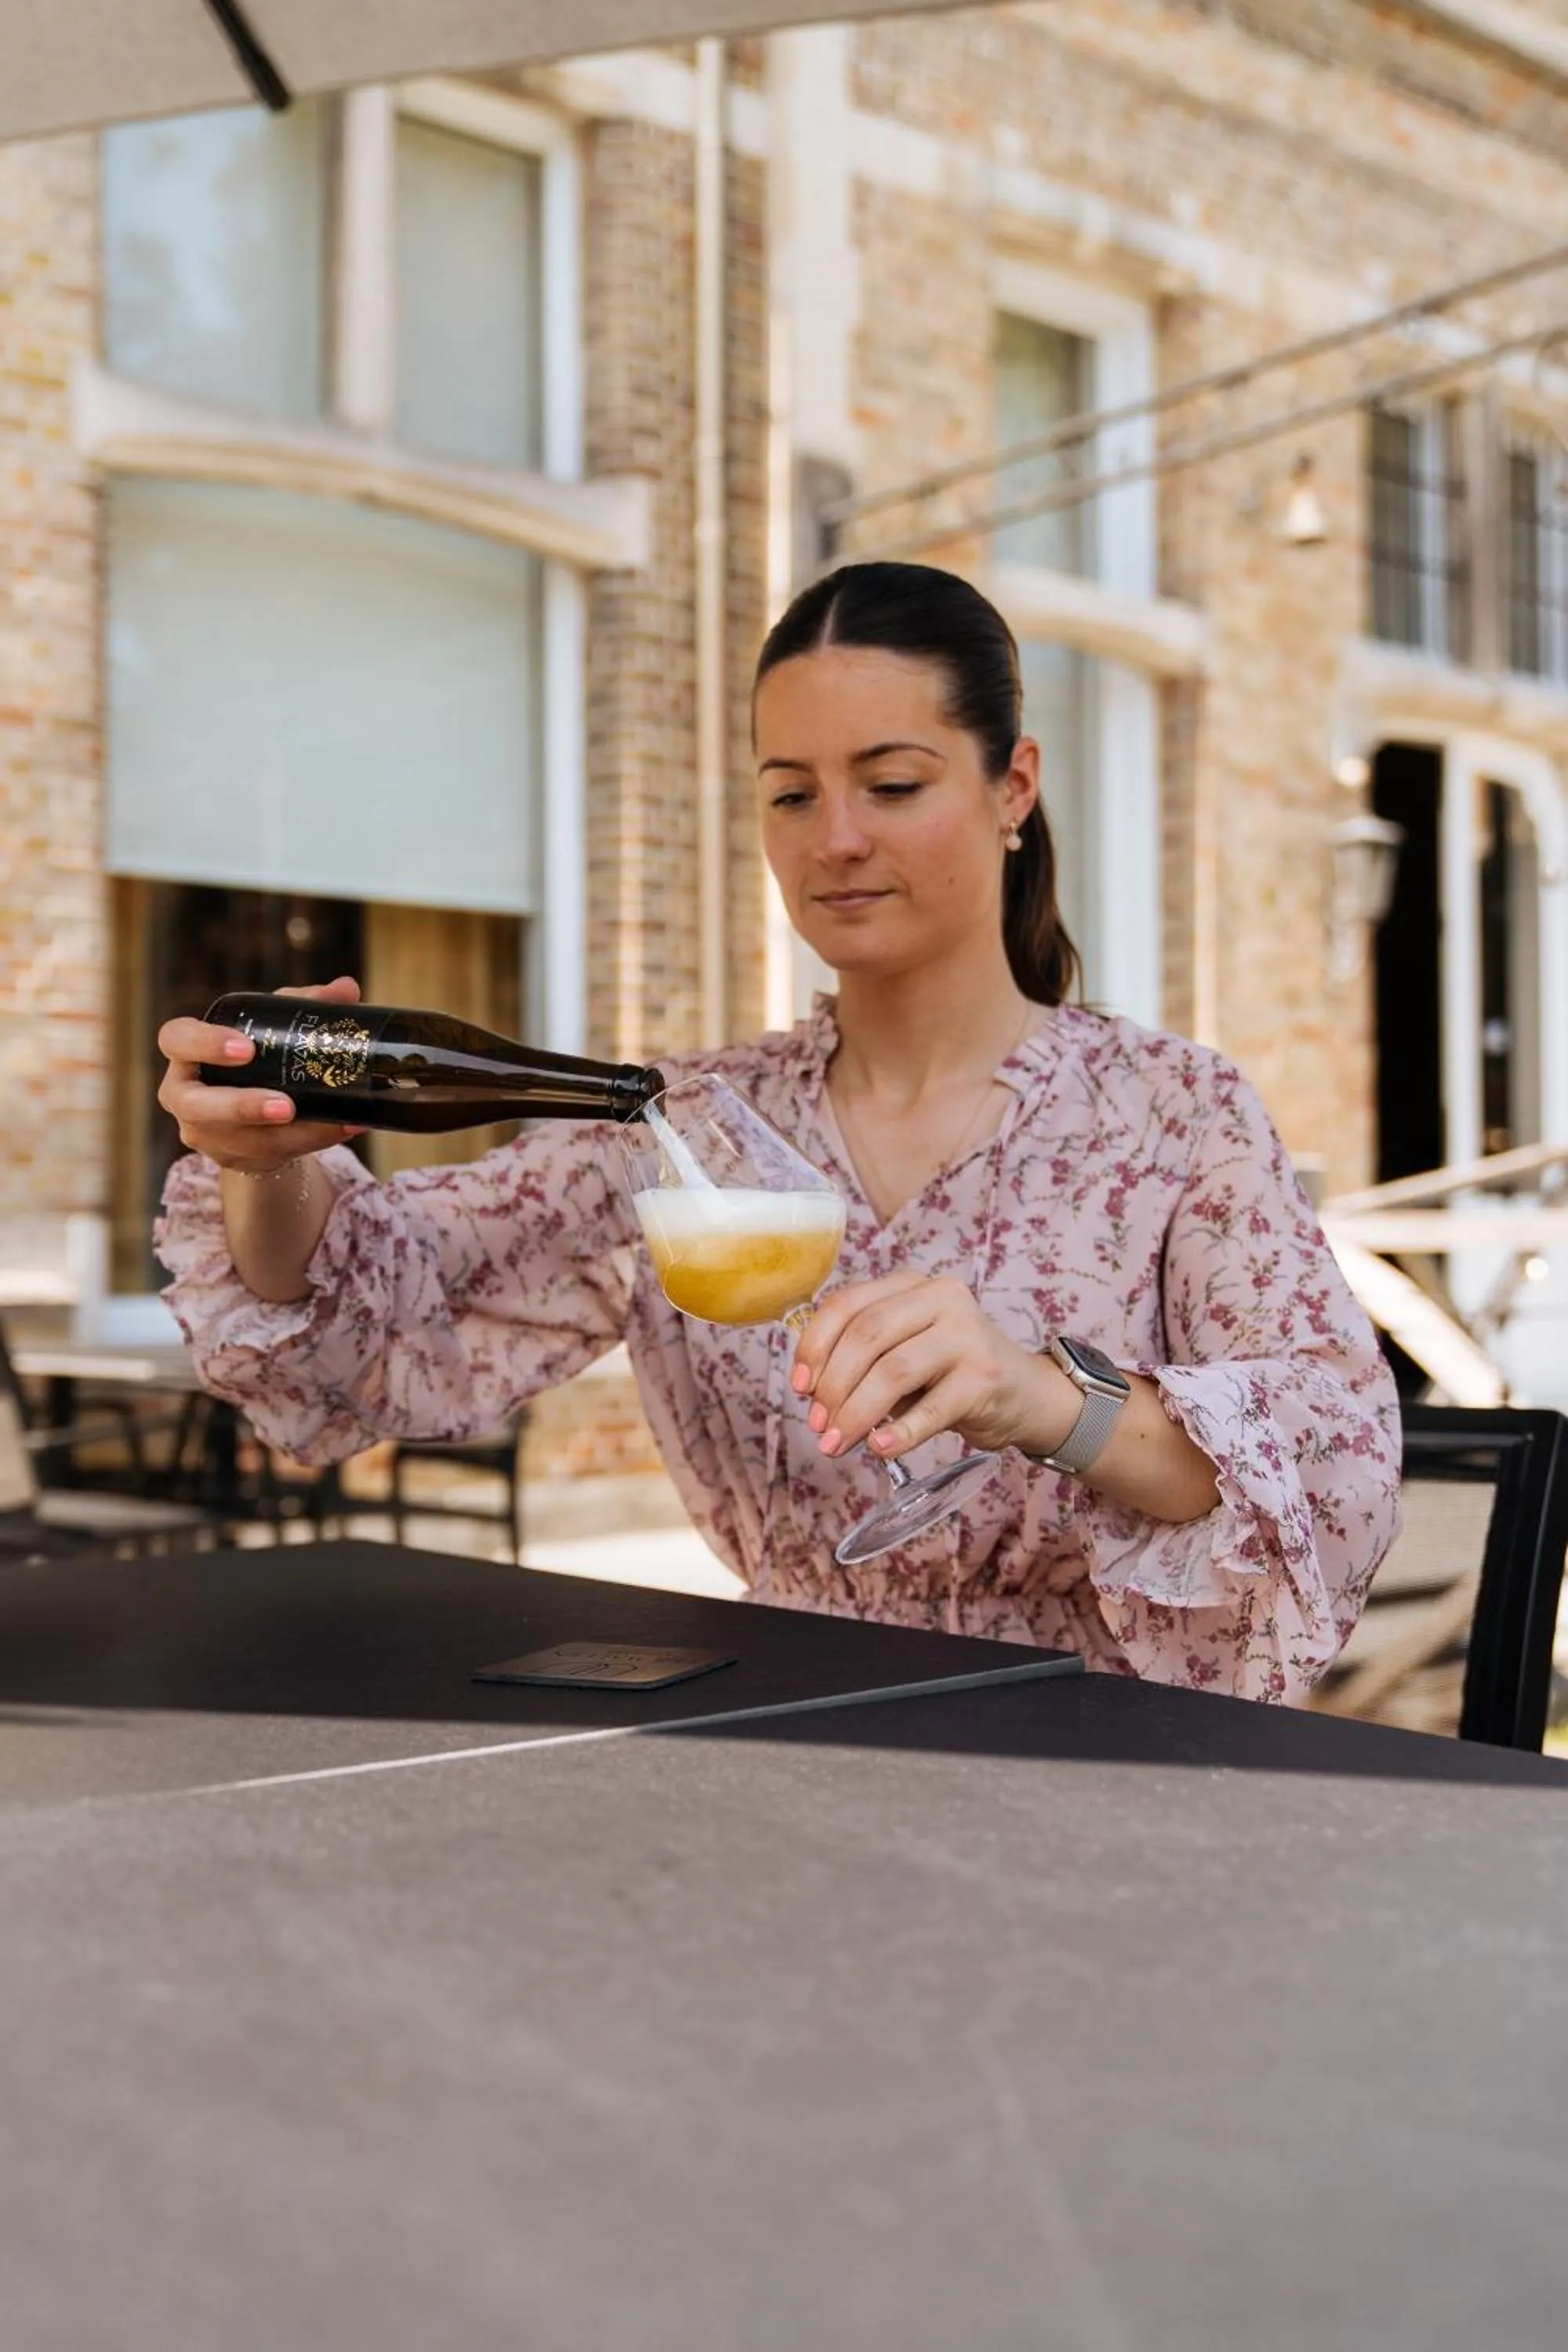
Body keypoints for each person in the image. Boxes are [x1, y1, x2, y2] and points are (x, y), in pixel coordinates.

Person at [154, 561, 1400, 1700]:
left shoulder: (1170, 1113)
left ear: (1012, 786)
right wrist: (265, 1162)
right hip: (783, 1718)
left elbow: (1327, 1462)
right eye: (791, 794)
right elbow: (366, 1306)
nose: (836, 839)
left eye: (892, 784)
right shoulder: (684, 1122)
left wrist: (1036, 1397)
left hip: (1096, 1750)